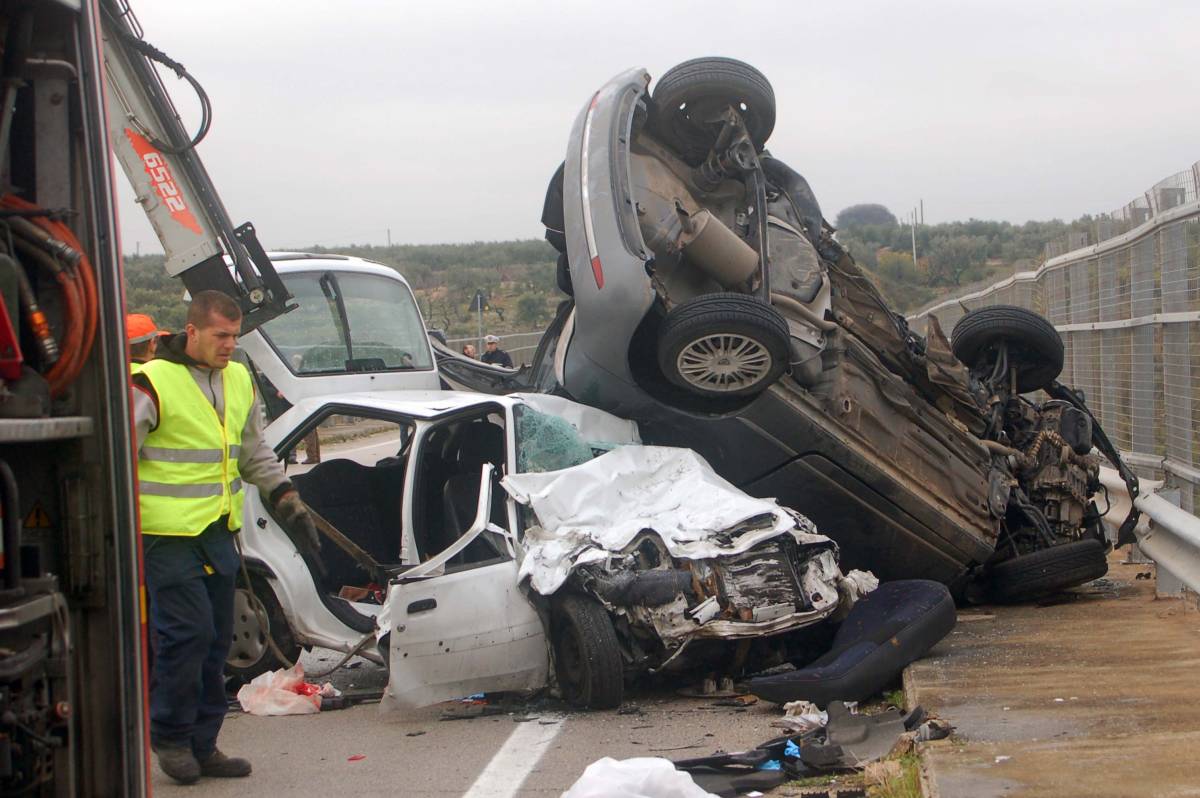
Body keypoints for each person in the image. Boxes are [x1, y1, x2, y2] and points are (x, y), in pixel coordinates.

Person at [131, 291, 320, 784]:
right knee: (187, 634)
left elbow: (252, 450)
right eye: (220, 336)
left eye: (235, 336)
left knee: (215, 641)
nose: (229, 346)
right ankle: (170, 737)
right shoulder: (151, 382)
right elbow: (116, 457)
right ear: (191, 332)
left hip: (217, 530)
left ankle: (203, 744)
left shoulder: (237, 379)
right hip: (164, 535)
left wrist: (286, 498)